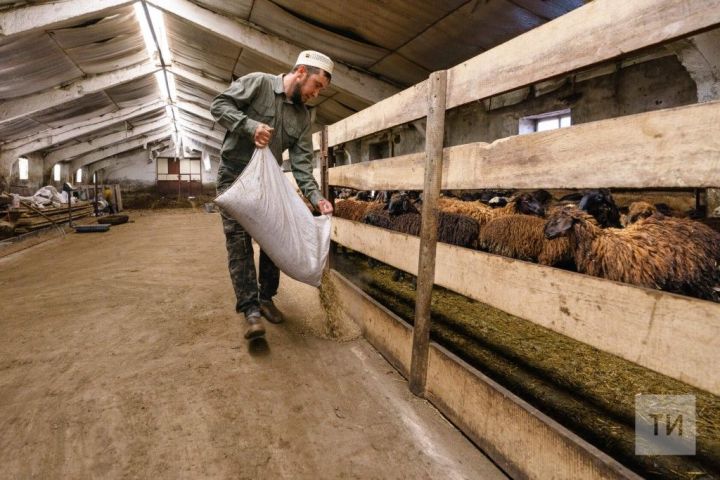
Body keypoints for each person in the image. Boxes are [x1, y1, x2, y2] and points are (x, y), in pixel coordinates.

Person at [210, 50, 334, 341]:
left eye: (321, 90)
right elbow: (219, 105)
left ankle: (266, 297)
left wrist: (317, 198)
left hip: (267, 182)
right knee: (239, 243)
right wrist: (249, 127)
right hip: (235, 177)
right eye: (316, 85)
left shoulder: (303, 117)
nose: (316, 94)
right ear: (301, 72)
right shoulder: (259, 84)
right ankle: (250, 309)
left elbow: (303, 165)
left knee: (274, 236)